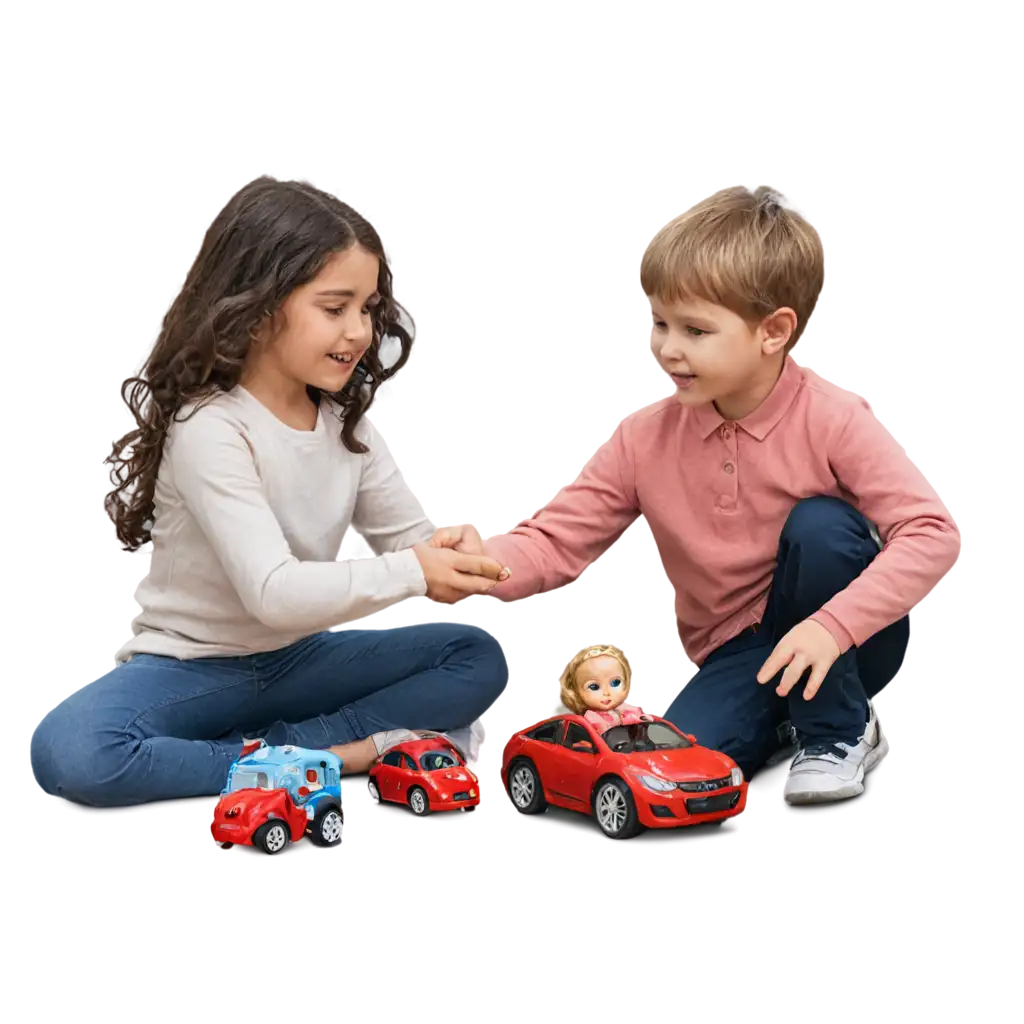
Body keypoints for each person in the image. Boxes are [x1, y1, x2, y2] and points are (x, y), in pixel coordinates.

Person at [433, 183, 962, 806]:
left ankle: (842, 730)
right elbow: (553, 537)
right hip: (740, 645)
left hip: (846, 631)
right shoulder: (644, 438)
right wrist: (478, 564)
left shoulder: (833, 417)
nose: (668, 349)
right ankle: (783, 714)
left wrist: (832, 626)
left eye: (695, 330)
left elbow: (931, 532)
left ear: (773, 332)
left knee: (821, 527)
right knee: (686, 760)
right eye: (660, 323)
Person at [28, 176, 508, 809]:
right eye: (336, 309)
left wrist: (451, 553)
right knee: (77, 752)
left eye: (367, 308)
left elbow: (414, 547)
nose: (361, 331)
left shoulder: (351, 429)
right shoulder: (210, 428)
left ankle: (296, 753)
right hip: (192, 667)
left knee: (474, 655)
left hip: (300, 661)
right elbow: (275, 594)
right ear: (257, 312)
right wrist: (414, 569)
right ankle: (333, 756)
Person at [557, 643, 652, 734]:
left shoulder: (627, 710)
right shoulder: (591, 719)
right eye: (594, 687)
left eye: (615, 683)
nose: (606, 692)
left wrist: (640, 720)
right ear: (577, 692)